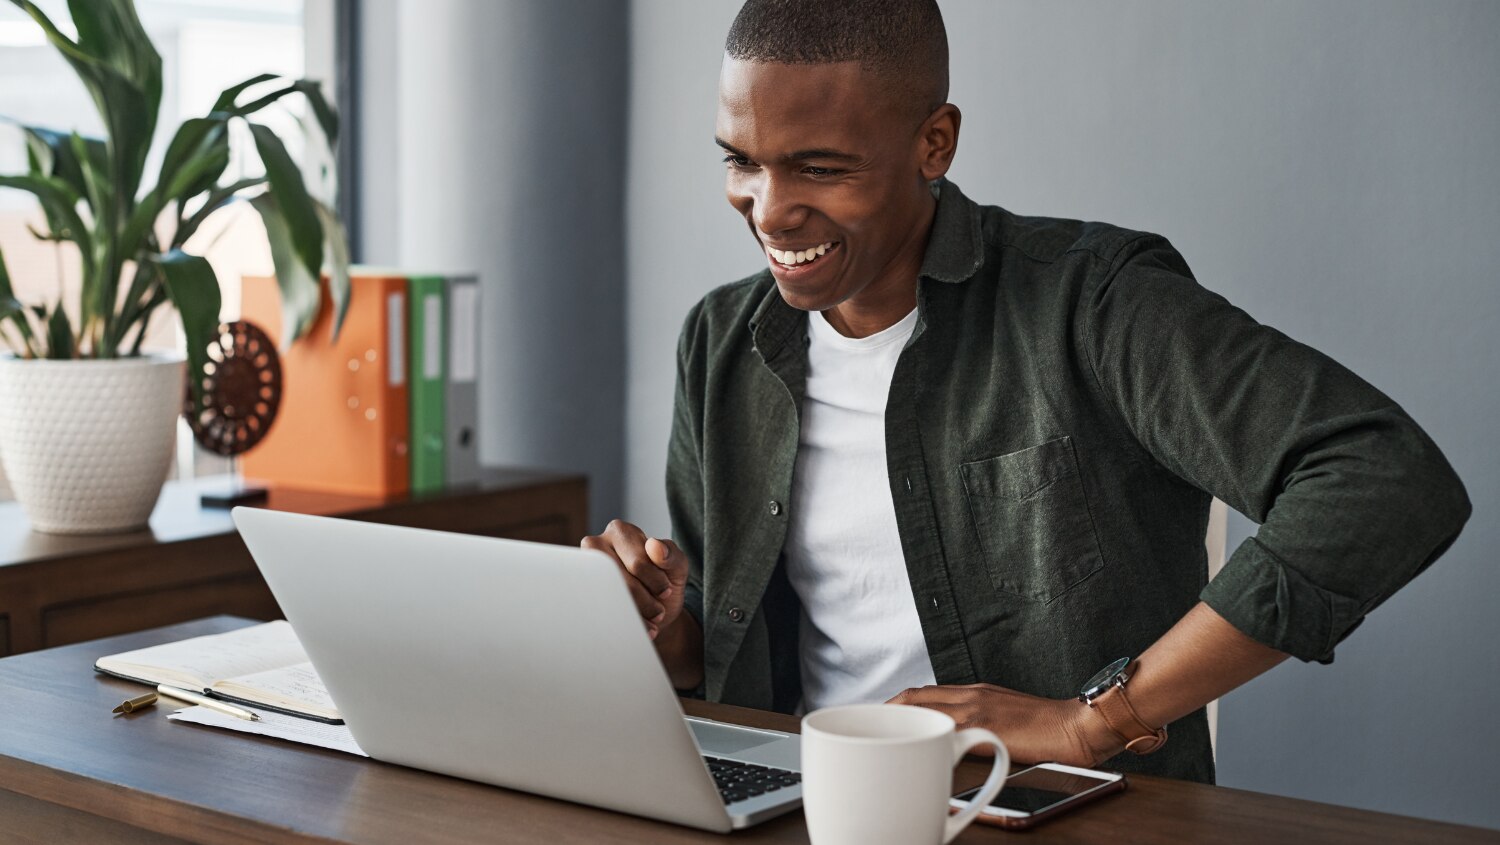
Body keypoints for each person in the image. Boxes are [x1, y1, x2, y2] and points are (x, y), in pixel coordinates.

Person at [581, 0, 1470, 782]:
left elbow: (1384, 477)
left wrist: (1094, 720)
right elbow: (726, 634)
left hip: (1051, 807)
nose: (768, 209)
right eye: (741, 160)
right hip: (810, 797)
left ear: (935, 142)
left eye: (819, 168)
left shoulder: (1092, 302)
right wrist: (662, 630)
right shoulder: (722, 341)